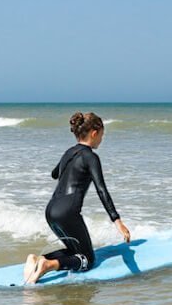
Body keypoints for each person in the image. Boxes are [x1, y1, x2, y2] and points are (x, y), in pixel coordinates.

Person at [23, 112, 131, 284]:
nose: (102, 140)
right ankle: (48, 265)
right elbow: (101, 190)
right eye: (102, 135)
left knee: (74, 251)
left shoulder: (69, 152)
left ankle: (37, 259)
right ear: (94, 133)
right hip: (68, 212)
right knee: (88, 260)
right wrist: (117, 221)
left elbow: (54, 174)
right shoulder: (91, 157)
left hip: (51, 210)